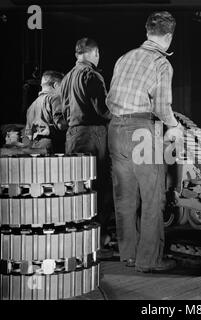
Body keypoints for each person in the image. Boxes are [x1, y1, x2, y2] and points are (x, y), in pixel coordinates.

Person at [106, 11, 183, 272]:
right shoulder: (161, 64)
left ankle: (128, 254)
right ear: (169, 36)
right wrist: (174, 126)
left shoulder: (124, 58)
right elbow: (162, 106)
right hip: (141, 128)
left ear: (147, 30)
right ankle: (149, 260)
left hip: (115, 129)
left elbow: (109, 98)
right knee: (152, 197)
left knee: (124, 198)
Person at [60, 37, 113, 250]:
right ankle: (99, 237)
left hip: (73, 135)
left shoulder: (65, 78)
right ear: (94, 53)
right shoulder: (92, 75)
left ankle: (77, 236)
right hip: (93, 133)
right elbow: (103, 109)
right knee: (101, 185)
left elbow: (62, 112)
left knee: (77, 186)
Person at [24, 70, 66, 152]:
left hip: (35, 146)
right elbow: (61, 125)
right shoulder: (55, 98)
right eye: (63, 86)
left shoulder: (32, 105)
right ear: (56, 85)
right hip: (52, 145)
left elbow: (28, 134)